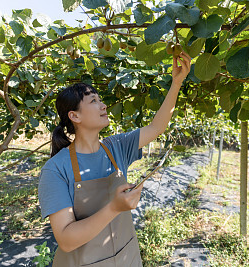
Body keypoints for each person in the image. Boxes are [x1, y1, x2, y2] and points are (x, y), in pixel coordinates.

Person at [38, 51, 191, 266]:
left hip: (126, 258)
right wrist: (114, 208)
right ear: (75, 116)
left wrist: (176, 83)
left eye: (101, 100)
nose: (103, 105)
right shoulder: (55, 169)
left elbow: (157, 127)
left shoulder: (116, 147)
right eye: (93, 101)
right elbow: (66, 240)